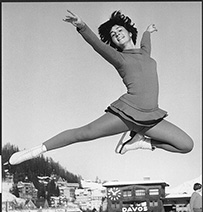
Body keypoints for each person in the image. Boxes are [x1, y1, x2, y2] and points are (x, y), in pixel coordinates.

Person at [8, 9, 193, 166]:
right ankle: (35, 151)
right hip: (127, 113)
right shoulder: (119, 58)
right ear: (113, 42)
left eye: (120, 30)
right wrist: (82, 26)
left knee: (186, 145)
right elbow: (97, 44)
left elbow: (145, 45)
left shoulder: (145, 54)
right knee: (85, 133)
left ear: (129, 32)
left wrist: (147, 32)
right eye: (113, 35)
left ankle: (140, 142)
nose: (117, 34)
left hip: (151, 116)